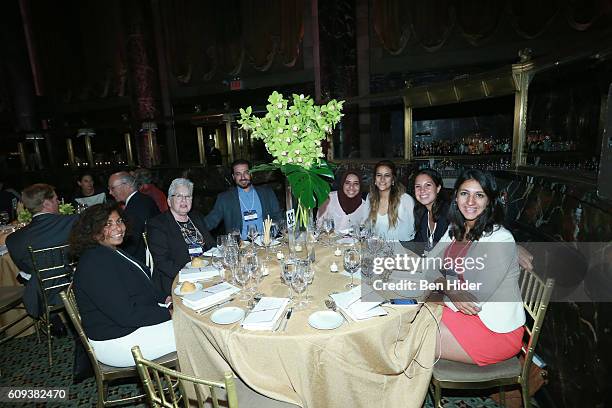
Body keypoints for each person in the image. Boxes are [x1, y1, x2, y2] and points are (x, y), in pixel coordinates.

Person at [424, 169, 525, 366]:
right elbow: (429, 264)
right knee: (406, 320)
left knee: (411, 337)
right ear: (456, 197)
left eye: (479, 195)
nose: (470, 201)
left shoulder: (500, 239)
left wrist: (443, 289)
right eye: (464, 193)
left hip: (495, 331)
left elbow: (474, 300)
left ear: (489, 200)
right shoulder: (456, 229)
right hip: (460, 312)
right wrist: (448, 287)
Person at [70, 203, 175, 367]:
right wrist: (168, 313)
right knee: (193, 333)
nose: (118, 228)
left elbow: (142, 285)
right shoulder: (95, 263)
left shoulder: (111, 251)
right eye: (107, 224)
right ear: (92, 231)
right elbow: (126, 315)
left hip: (129, 327)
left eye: (119, 221)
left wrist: (165, 298)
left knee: (191, 323)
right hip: (117, 341)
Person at [5, 184, 78, 317]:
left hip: (42, 294)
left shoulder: (13, 239)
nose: (58, 202)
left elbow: (26, 270)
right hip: (76, 286)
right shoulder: (73, 222)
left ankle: (55, 320)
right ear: (46, 203)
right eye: (56, 199)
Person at [147, 178, 215, 295]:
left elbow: (211, 245)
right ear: (169, 201)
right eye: (179, 196)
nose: (184, 200)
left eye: (188, 196)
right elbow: (163, 263)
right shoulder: (158, 224)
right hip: (179, 281)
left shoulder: (196, 218)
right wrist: (191, 275)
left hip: (206, 273)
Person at [205, 159, 283, 239]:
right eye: (238, 174)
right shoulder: (225, 198)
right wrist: (194, 230)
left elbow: (278, 217)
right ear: (233, 177)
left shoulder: (267, 193)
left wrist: (274, 233)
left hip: (265, 242)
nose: (243, 177)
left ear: (251, 174)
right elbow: (210, 221)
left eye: (246, 173)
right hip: (240, 246)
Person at [108, 172, 160, 263]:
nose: (110, 192)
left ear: (127, 185)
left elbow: (132, 242)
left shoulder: (136, 205)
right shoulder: (142, 199)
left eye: (112, 188)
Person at [365, 160, 415, 241]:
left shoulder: (405, 200)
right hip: (376, 249)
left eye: (387, 175)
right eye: (379, 175)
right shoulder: (370, 197)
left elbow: (409, 234)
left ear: (393, 180)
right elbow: (366, 227)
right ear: (375, 179)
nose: (382, 179)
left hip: (399, 250)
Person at [411, 169, 450, 252]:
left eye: (428, 185)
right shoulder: (423, 214)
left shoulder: (448, 214)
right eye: (418, 186)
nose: (422, 190)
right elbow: (417, 246)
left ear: (438, 188)